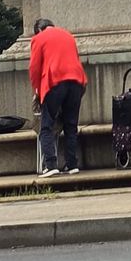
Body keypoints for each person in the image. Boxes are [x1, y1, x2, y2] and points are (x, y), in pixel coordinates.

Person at [29, 18, 87, 177]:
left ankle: (51, 164)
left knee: (46, 125)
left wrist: (37, 91)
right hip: (76, 82)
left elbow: (34, 68)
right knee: (71, 124)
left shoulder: (38, 38)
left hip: (54, 82)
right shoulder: (68, 35)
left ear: (39, 30)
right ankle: (72, 164)